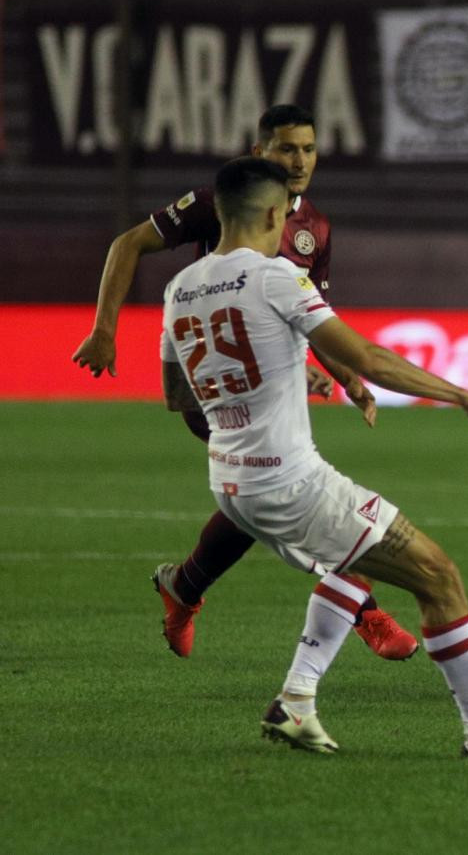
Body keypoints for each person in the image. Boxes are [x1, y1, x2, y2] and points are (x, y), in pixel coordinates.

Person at [161, 156, 468, 762]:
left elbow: (177, 396)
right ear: (274, 213)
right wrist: (461, 395)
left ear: (217, 211)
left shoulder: (179, 289)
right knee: (438, 576)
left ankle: (296, 701)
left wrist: (279, 381)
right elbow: (368, 360)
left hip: (231, 481)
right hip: (289, 482)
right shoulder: (277, 277)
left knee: (348, 561)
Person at [71, 105, 417, 663]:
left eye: (307, 149)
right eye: (286, 149)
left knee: (255, 501)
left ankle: (183, 587)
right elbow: (127, 244)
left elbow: (316, 313)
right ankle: (366, 613)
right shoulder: (219, 203)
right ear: (260, 153)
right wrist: (104, 330)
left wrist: (346, 376)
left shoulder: (316, 229)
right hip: (215, 382)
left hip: (269, 381)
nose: (298, 160)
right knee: (284, 487)